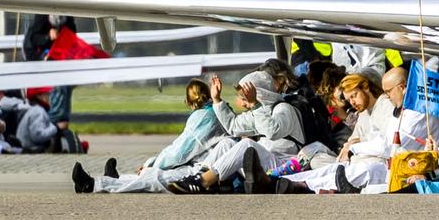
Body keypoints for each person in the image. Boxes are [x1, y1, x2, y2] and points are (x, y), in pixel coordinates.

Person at [168, 69, 307, 193]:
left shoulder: (284, 109)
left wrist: (255, 105)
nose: (244, 102)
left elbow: (273, 131)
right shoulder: (260, 111)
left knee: (247, 145)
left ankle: (203, 182)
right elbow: (233, 127)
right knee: (226, 143)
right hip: (264, 165)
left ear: (262, 95)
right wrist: (217, 100)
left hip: (286, 165)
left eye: (246, 97)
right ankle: (202, 178)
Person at [74, 79, 224, 193]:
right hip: (203, 165)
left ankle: (93, 185)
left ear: (188, 101)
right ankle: (114, 180)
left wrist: (151, 165)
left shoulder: (204, 117)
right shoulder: (214, 112)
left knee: (154, 177)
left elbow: (179, 152)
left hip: (201, 170)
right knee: (155, 175)